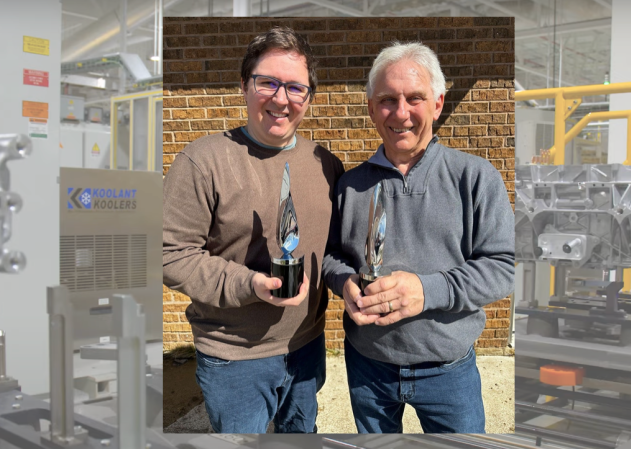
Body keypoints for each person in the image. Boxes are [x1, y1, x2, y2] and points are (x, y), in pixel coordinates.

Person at [322, 41, 515, 433]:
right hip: (368, 367)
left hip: (448, 371)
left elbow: (504, 265)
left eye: (415, 98)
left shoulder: (475, 178)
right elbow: (329, 257)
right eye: (388, 100)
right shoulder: (350, 185)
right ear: (372, 107)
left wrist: (428, 291)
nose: (401, 113)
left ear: (438, 103)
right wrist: (345, 283)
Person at [162, 26, 344, 433]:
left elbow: (332, 250)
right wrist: (251, 284)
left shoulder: (325, 164)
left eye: (295, 88)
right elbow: (170, 254)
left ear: (308, 98)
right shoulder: (203, 161)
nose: (281, 99)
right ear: (244, 86)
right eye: (268, 83)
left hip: (306, 343)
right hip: (235, 356)